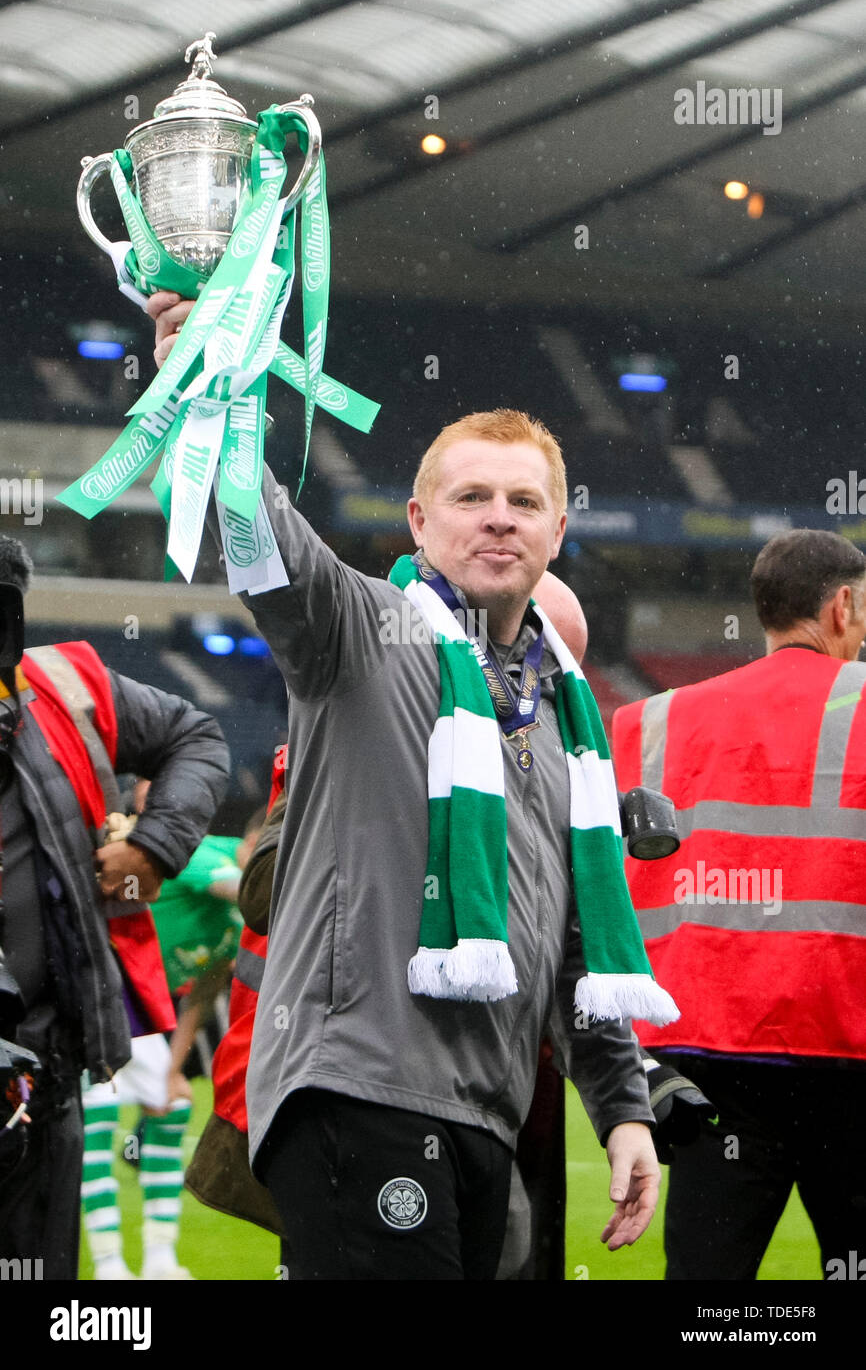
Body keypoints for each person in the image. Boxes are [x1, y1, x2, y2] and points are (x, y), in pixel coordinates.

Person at [149, 292, 677, 1281]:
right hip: (358, 1086)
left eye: (522, 503)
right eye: (471, 497)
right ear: (417, 519)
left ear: (557, 529)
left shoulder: (568, 724)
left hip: (485, 1105)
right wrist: (207, 393)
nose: (496, 519)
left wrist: (621, 1110)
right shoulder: (360, 633)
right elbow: (260, 537)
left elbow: (574, 942)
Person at [611, 528, 866, 1281]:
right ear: (842, 606)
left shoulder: (649, 722)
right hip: (850, 1052)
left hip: (710, 1063)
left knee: (706, 1284)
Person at [0, 533, 230, 1280]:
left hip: (44, 1074)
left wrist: (156, 846)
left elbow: (196, 738)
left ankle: (144, 1259)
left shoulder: (68, 685)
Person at [80, 797, 249, 1281]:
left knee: (171, 1106)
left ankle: (159, 1260)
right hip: (96, 992)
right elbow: (245, 887)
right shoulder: (208, 858)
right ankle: (110, 1263)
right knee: (100, 1113)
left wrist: (175, 1068)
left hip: (141, 1011)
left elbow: (203, 991)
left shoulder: (241, 927)